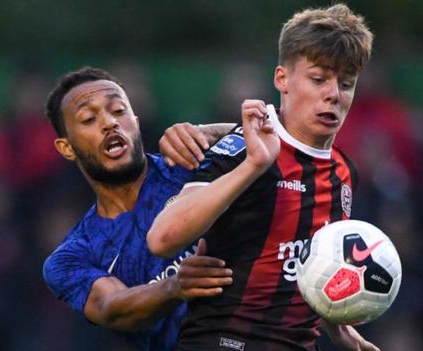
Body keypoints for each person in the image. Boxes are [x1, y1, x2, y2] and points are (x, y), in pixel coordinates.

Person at [147, 4, 379, 351]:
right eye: (318, 79)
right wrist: (253, 166)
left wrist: (340, 329)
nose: (333, 94)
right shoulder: (243, 146)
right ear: (282, 79)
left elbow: (315, 265)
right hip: (223, 342)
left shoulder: (344, 173)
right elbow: (162, 237)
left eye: (346, 84)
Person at [41, 66, 235, 350]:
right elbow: (111, 307)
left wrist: (210, 132)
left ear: (135, 120)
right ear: (66, 148)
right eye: (89, 119)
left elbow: (279, 140)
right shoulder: (73, 256)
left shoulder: (192, 165)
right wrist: (173, 286)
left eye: (118, 111)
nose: (109, 123)